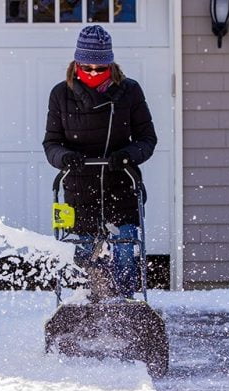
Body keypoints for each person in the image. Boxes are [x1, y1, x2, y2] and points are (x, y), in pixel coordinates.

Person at [42, 25, 157, 299]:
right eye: (87, 67)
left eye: (100, 68)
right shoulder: (61, 94)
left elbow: (147, 138)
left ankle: (126, 304)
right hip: (80, 188)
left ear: (111, 65)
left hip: (120, 183)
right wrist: (66, 158)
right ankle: (90, 305)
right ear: (77, 63)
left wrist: (128, 155)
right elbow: (51, 144)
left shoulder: (129, 91)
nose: (93, 73)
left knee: (125, 251)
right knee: (86, 257)